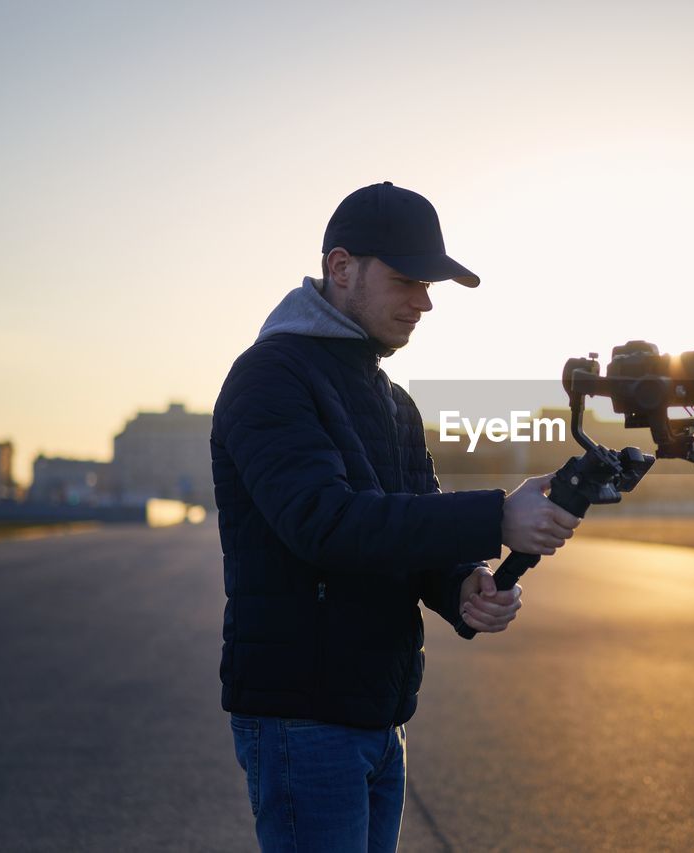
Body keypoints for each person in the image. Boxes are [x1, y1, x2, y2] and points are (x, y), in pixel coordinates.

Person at [211, 181, 581, 852]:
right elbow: (325, 523)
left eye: (430, 283)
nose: (426, 300)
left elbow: (411, 528)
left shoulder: (392, 399)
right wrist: (497, 517)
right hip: (302, 717)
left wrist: (462, 584)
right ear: (341, 267)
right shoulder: (269, 376)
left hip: (379, 714)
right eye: (409, 278)